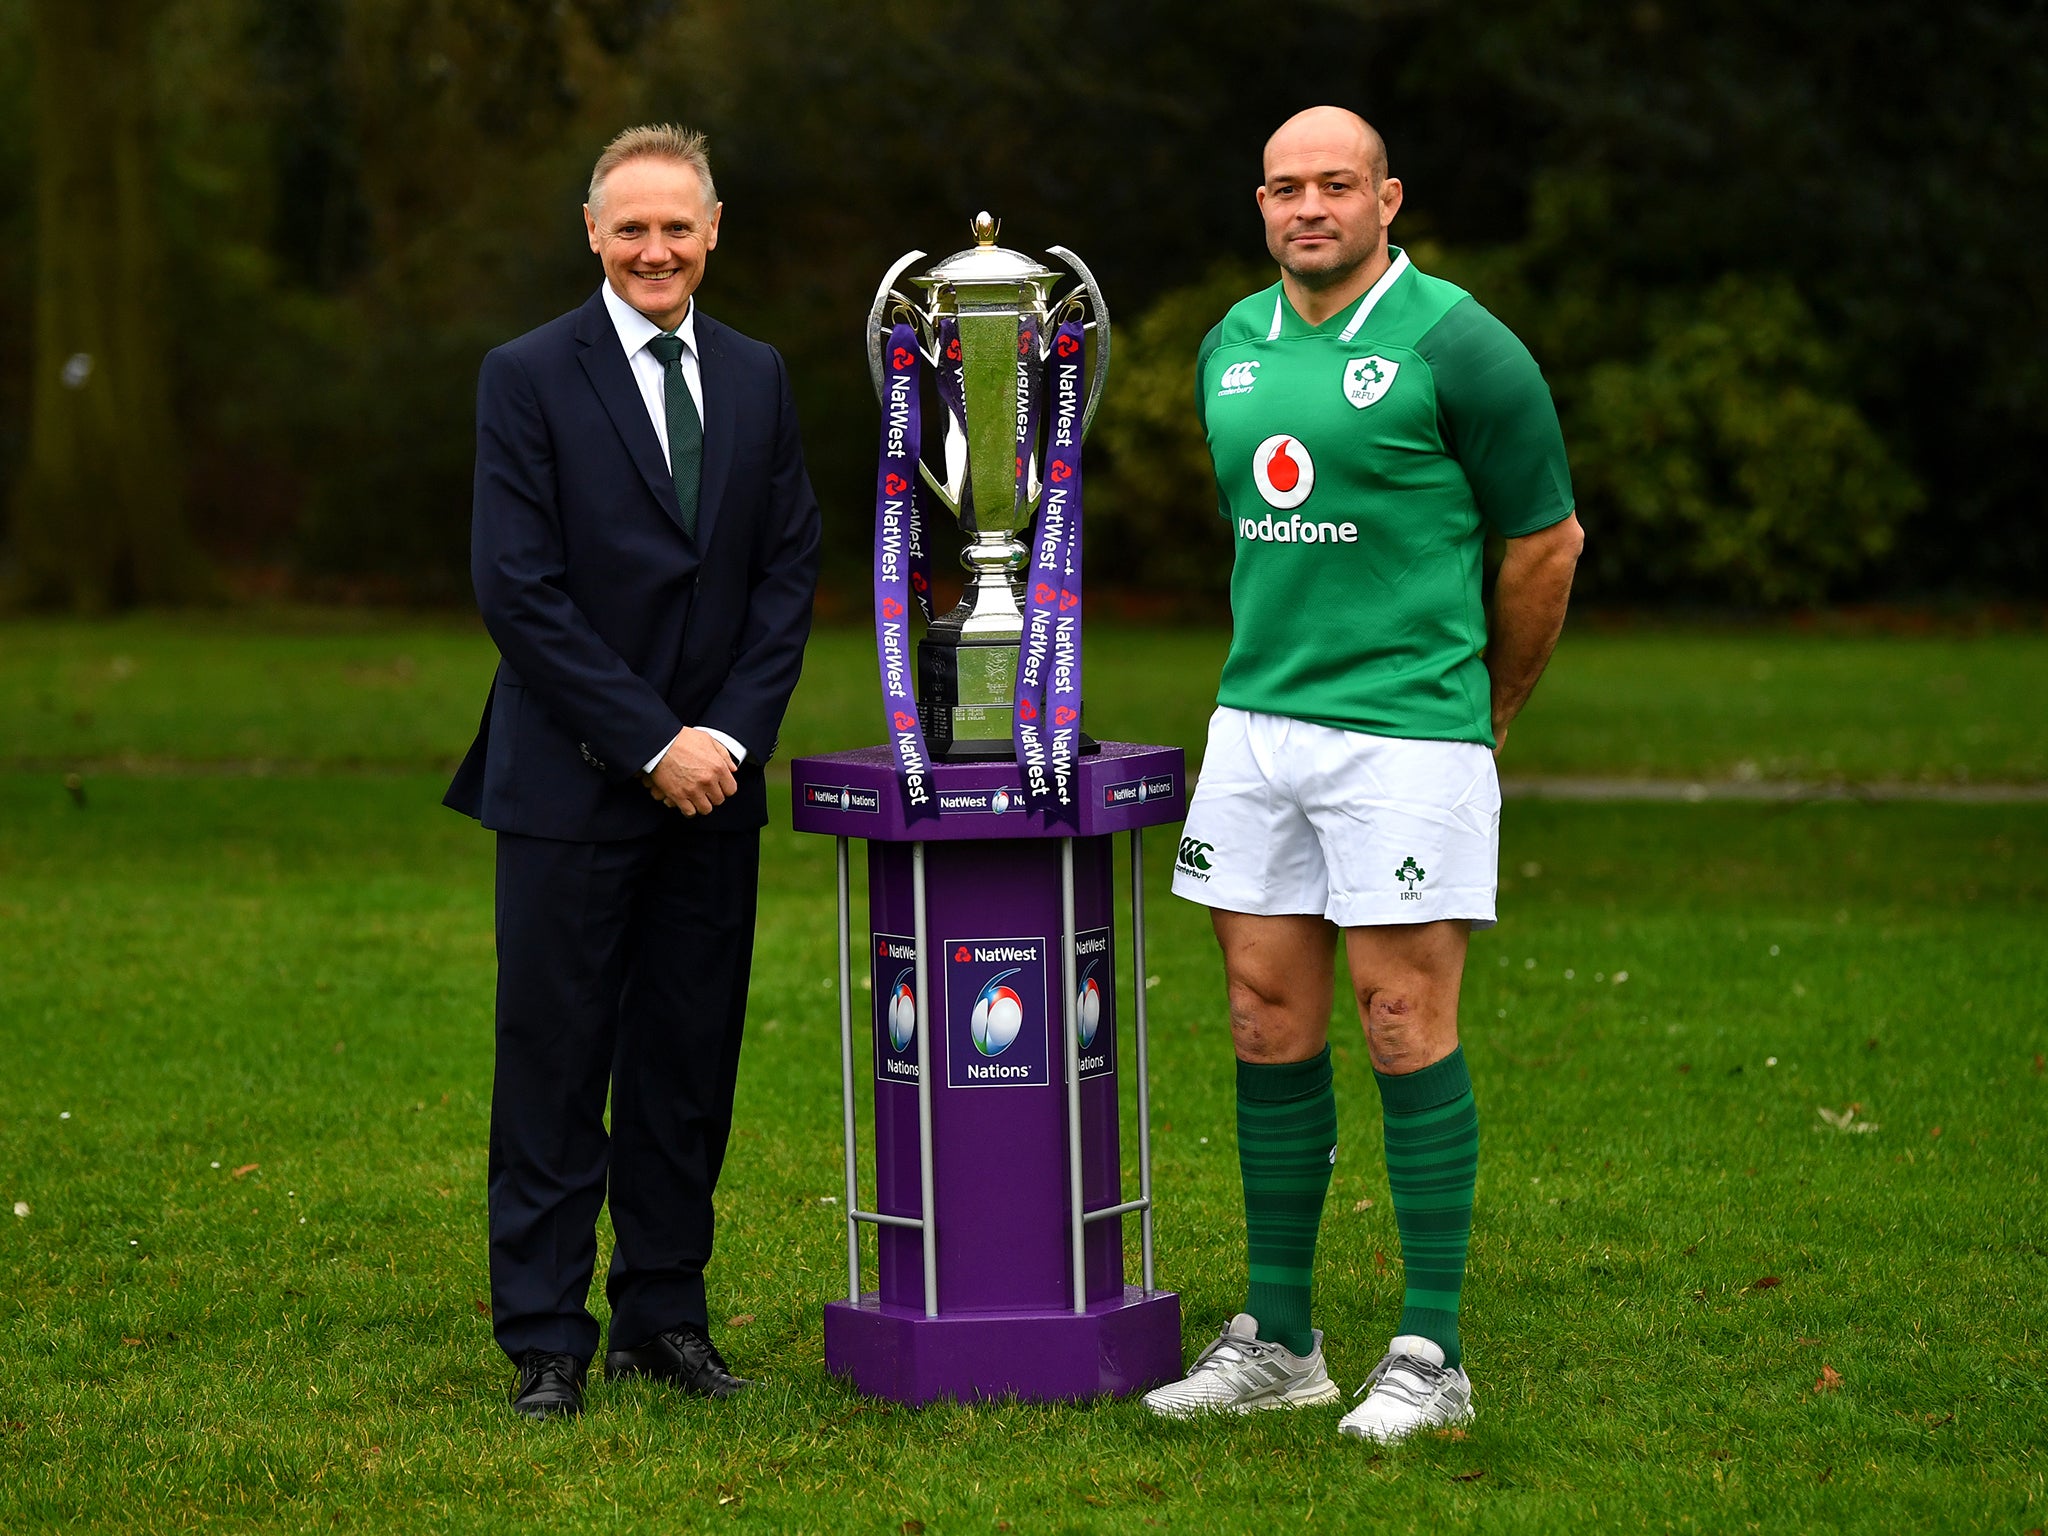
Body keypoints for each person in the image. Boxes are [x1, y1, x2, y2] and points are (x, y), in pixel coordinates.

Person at [1143, 106, 1582, 1441]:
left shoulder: (1460, 341)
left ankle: (1432, 1352)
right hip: (1258, 722)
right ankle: (1282, 1337)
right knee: (1264, 1018)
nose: (1308, 206)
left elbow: (1546, 542)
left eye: (1337, 184)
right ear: (1261, 203)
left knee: (1404, 1021)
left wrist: (1489, 704)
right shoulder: (1230, 342)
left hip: (1406, 732)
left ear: (1391, 199)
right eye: (1285, 187)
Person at [444, 124, 821, 1420]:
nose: (655, 248)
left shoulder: (761, 377)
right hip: (569, 785)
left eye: (679, 226)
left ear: (714, 231)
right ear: (592, 233)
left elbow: (787, 572)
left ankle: (666, 1317)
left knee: (685, 1064)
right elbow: (518, 590)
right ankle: (546, 1335)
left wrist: (726, 739)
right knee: (553, 1066)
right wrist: (651, 742)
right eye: (631, 227)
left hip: (715, 788)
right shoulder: (527, 375)